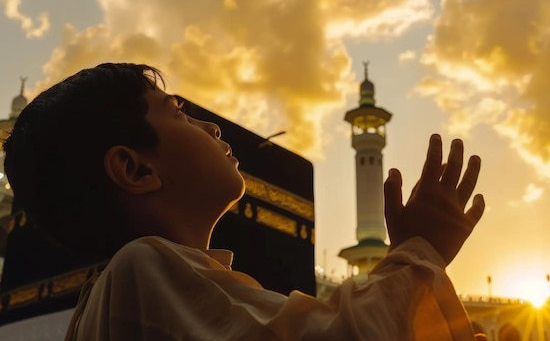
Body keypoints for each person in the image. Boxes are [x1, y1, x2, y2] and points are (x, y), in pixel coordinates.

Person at [3, 63, 486, 340]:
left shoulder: (137, 289)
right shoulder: (142, 270)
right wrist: (418, 252)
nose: (212, 128)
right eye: (177, 114)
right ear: (136, 170)